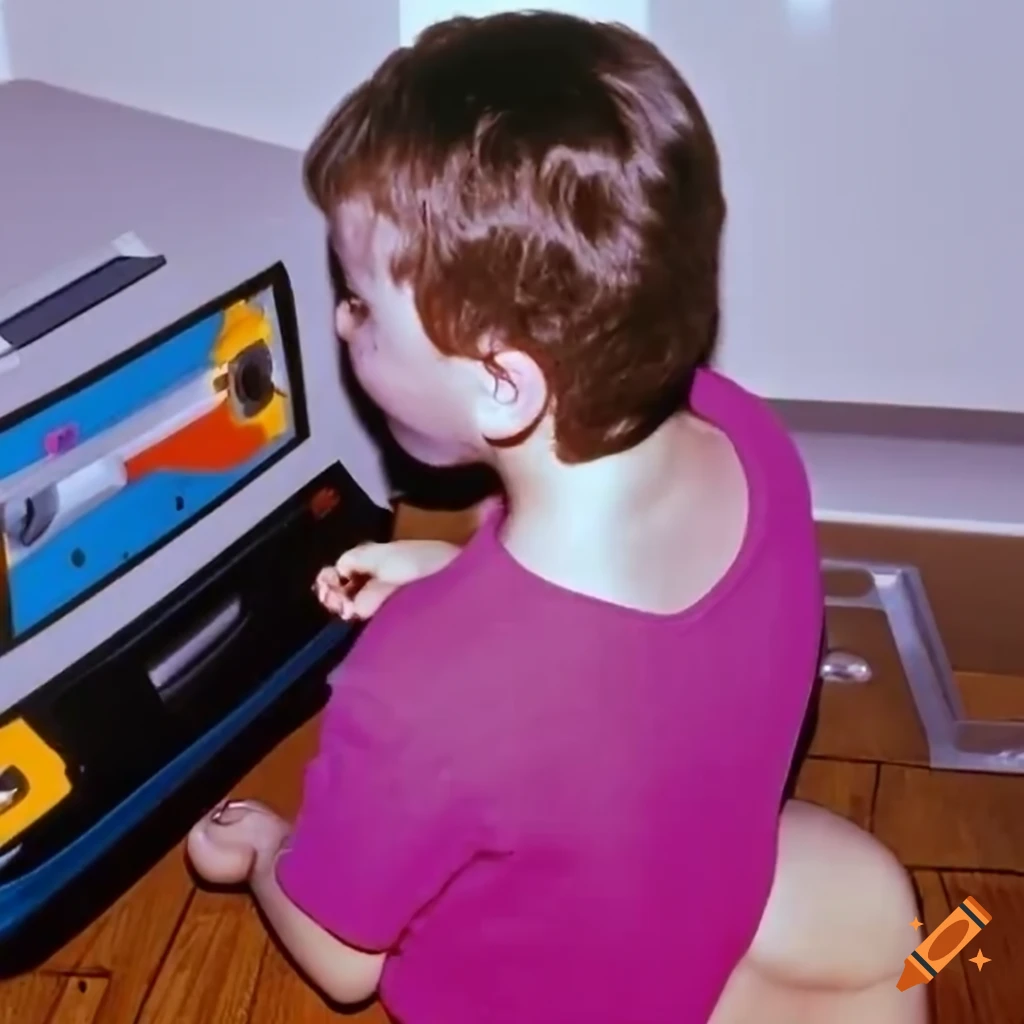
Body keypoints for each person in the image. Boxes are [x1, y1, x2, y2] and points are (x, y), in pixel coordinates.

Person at [187, 12, 926, 1023]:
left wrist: (267, 846)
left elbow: (345, 960)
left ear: (501, 385)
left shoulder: (418, 686)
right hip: (707, 907)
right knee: (883, 908)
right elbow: (619, 678)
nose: (338, 318)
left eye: (359, 299)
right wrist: (460, 582)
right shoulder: (747, 437)